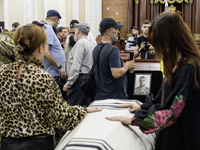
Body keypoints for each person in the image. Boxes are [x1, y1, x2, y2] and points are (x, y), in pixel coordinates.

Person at [106, 12, 200, 150]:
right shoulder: (179, 63)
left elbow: (172, 113)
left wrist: (133, 120)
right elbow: (165, 99)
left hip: (182, 139)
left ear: (170, 39)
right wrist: (142, 107)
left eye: (158, 42)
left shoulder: (188, 67)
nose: (156, 47)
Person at [0, 24, 101, 150]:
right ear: (41, 47)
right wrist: (84, 111)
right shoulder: (42, 78)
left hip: (7, 143)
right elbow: (61, 117)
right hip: (38, 144)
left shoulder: (3, 73)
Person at [93, 18, 135, 100]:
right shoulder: (113, 49)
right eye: (116, 29)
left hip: (100, 96)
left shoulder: (96, 48)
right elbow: (116, 74)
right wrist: (127, 66)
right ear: (108, 31)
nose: (118, 32)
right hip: (113, 98)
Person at [63, 22, 94, 106]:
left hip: (79, 81)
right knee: (83, 108)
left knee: (73, 109)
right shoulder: (90, 44)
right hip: (86, 81)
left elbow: (76, 66)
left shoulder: (80, 43)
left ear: (78, 31)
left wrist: (68, 83)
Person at [41, 9, 67, 100]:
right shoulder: (47, 28)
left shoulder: (43, 27)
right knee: (55, 101)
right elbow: (46, 52)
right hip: (52, 73)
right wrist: (59, 67)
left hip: (51, 72)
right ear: (56, 20)